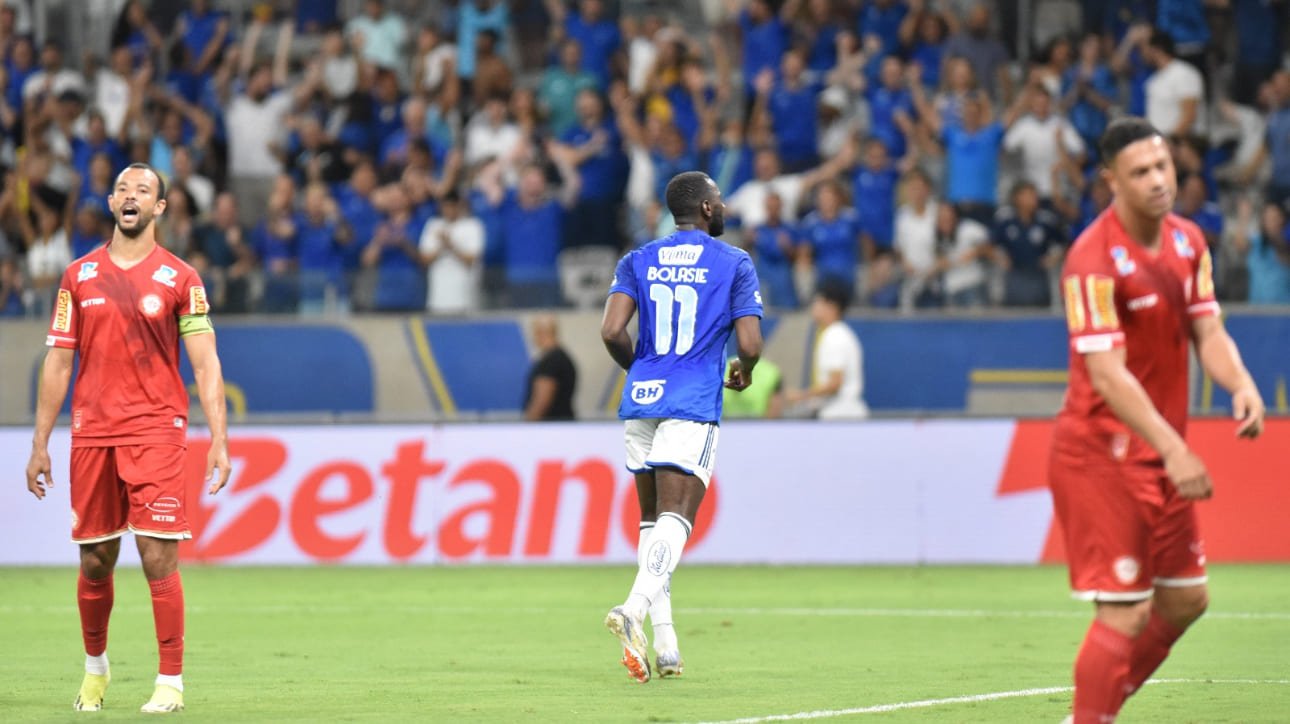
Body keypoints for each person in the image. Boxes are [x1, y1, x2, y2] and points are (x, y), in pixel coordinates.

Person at [1049, 118, 1266, 724]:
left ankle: (1091, 712)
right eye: (1140, 171)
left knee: (1185, 600)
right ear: (1110, 180)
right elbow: (1108, 375)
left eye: (1163, 166)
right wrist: (1175, 448)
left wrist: (1240, 381)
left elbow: (1208, 328)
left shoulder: (1189, 240)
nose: (1157, 180)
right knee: (1126, 611)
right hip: (1100, 454)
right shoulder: (1089, 260)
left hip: (1158, 450)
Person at [25, 163, 231, 714]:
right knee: (95, 559)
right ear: (113, 204)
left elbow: (206, 364)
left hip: (157, 430)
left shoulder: (182, 279)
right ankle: (96, 670)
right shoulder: (78, 276)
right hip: (92, 433)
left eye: (143, 190)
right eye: (122, 189)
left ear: (160, 208)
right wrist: (41, 441)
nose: (130, 195)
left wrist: (219, 437)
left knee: (157, 553)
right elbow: (58, 361)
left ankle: (171, 681)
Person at [601, 171, 763, 683]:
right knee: (679, 516)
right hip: (692, 400)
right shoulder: (734, 262)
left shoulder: (636, 259)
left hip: (642, 396)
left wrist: (639, 370)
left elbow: (610, 330)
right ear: (709, 209)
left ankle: (666, 645)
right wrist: (746, 370)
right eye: (720, 199)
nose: (724, 206)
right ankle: (632, 609)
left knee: (652, 522)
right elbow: (752, 344)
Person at [789, 280, 869, 419]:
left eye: (818, 302)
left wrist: (801, 396)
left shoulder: (834, 336)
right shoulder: (839, 333)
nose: (814, 307)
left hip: (841, 416)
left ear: (832, 307)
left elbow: (835, 383)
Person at [523, 314, 577, 421]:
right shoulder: (563, 357)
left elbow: (541, 402)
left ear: (541, 332)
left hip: (550, 429)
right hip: (563, 425)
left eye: (534, 332)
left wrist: (528, 426)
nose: (533, 337)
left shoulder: (550, 361)